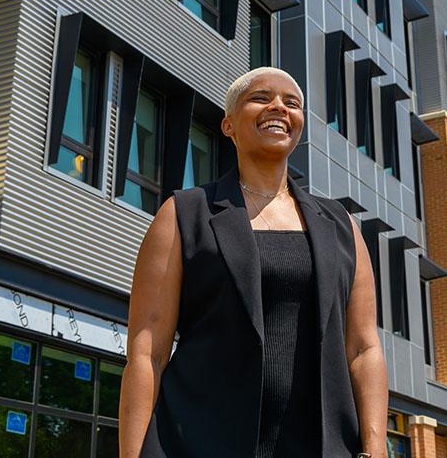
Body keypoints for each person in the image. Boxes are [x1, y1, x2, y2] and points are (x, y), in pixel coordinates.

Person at [118, 66, 387, 458]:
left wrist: (375, 448)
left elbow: (364, 349)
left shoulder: (340, 225)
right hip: (198, 442)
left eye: (291, 102)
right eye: (261, 97)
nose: (278, 106)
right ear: (227, 125)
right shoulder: (185, 213)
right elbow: (148, 353)